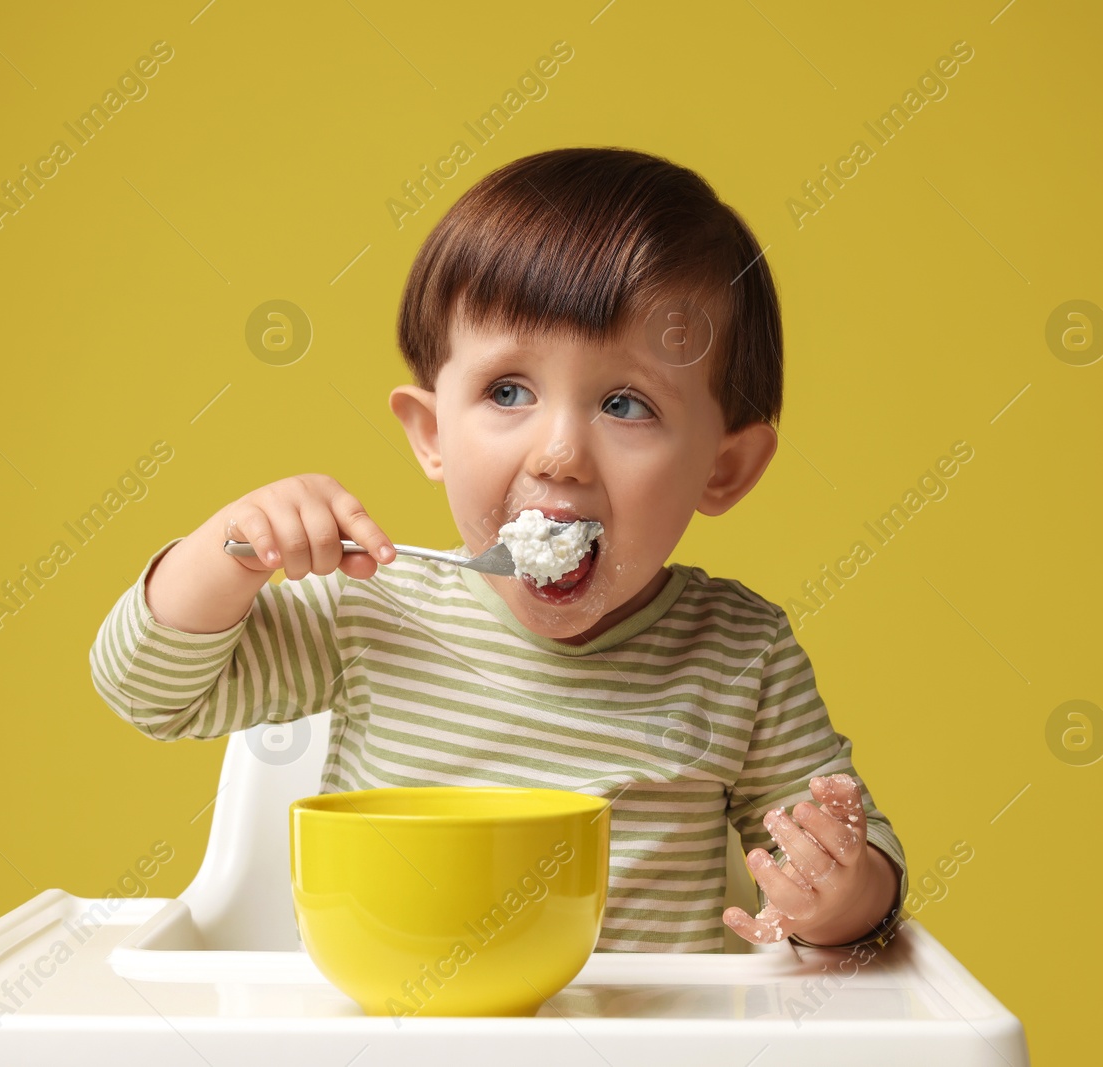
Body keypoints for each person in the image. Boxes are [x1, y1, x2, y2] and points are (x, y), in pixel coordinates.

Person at [89, 146, 907, 953]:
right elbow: (147, 691)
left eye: (625, 403)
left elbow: (852, 854)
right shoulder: (375, 606)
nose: (559, 453)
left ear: (722, 468)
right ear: (431, 432)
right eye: (508, 391)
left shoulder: (739, 653)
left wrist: (839, 890)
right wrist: (229, 552)